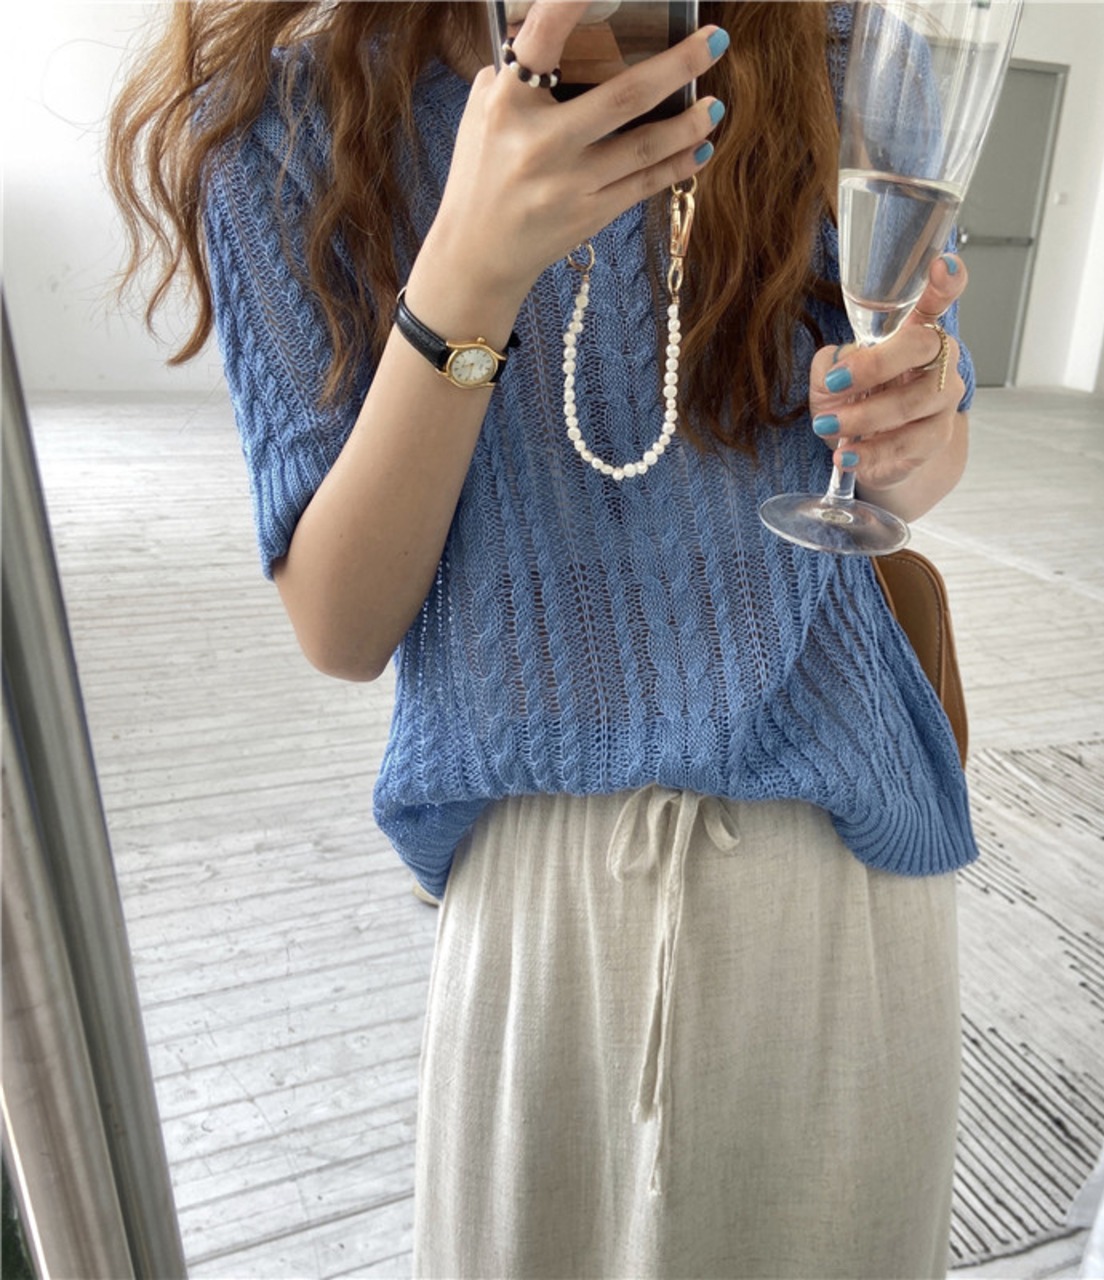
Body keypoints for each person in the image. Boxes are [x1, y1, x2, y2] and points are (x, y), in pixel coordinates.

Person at [109, 2, 980, 1275]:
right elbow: (342, 622)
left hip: (838, 881)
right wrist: (469, 270)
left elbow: (919, 440)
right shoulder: (284, 124)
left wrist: (913, 428)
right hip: (535, 913)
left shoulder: (838, 49)